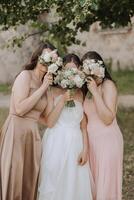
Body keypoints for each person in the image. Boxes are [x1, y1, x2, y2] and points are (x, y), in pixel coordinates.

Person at [0, 42, 58, 200]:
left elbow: (49, 121)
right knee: (14, 178)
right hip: (16, 132)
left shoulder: (46, 86)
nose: (47, 62)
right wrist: (43, 87)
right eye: (45, 57)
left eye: (51, 59)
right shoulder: (25, 76)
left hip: (32, 136)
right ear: (37, 57)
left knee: (28, 180)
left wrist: (63, 99)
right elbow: (19, 109)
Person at [38, 54, 93, 200]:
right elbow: (50, 122)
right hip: (56, 141)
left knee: (74, 183)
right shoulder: (52, 91)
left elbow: (83, 125)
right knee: (55, 182)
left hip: (76, 143)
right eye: (68, 71)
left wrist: (85, 149)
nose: (71, 75)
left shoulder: (81, 93)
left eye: (74, 71)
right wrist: (62, 100)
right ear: (62, 71)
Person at [82, 51, 123, 200]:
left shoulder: (108, 85)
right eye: (86, 68)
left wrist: (95, 91)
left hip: (108, 141)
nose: (91, 72)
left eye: (92, 67)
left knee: (106, 186)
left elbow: (108, 118)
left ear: (100, 67)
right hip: (91, 143)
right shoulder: (86, 90)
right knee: (93, 188)